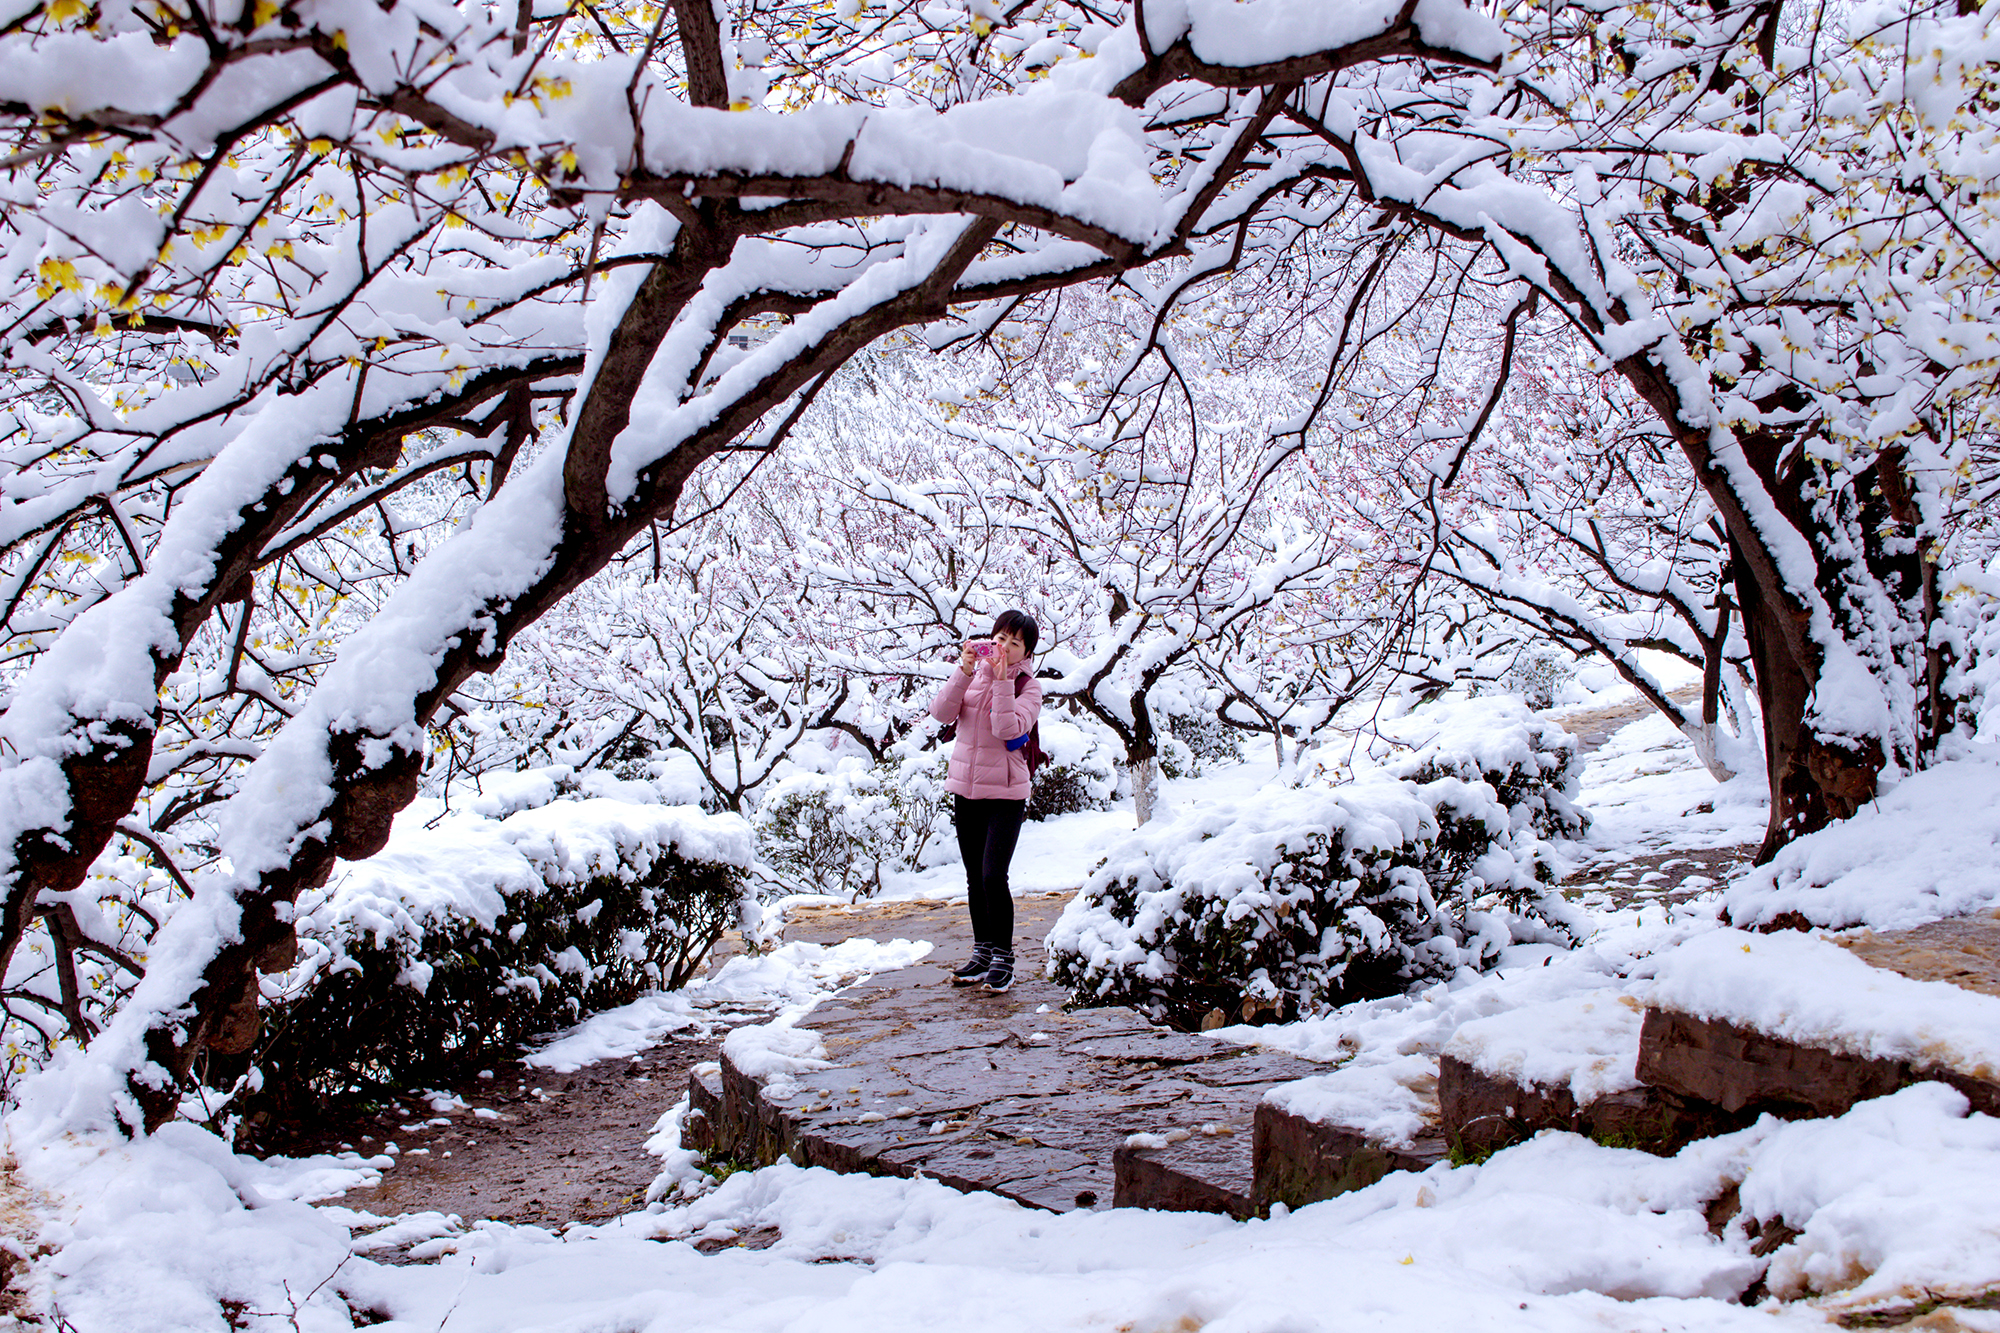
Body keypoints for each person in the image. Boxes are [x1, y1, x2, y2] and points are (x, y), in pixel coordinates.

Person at [929, 609, 1043, 993]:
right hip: (967, 789)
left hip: (1006, 793)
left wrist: (1000, 683)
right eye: (1000, 639)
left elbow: (1006, 728)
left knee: (994, 876)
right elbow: (940, 713)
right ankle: (982, 951)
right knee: (975, 878)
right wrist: (963, 671)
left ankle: (1004, 958)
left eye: (1015, 643)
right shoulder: (973, 674)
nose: (1004, 648)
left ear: (1025, 651)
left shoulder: (1028, 687)